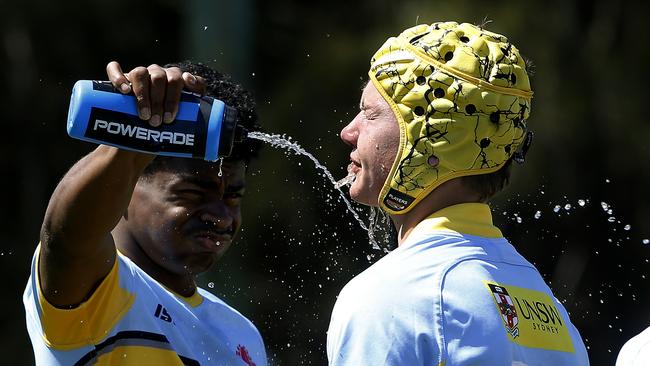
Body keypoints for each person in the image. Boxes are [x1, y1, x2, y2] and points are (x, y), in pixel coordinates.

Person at [326, 21, 589, 365]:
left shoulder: (392, 297)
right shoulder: (544, 304)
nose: (349, 131)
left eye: (371, 113)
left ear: (434, 140)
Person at [23, 61, 267, 365]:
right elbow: (63, 239)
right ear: (127, 186)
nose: (220, 217)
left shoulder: (242, 334)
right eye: (192, 194)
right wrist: (133, 138)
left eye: (233, 197)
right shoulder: (96, 292)